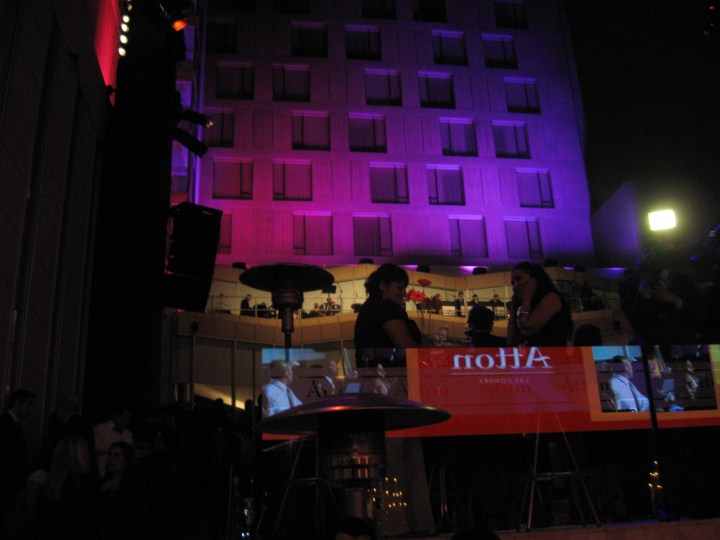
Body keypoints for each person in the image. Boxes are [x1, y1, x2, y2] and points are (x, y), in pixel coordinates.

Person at [354, 264, 425, 367]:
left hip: (371, 372)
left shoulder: (369, 306)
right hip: (392, 373)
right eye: (399, 288)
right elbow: (407, 348)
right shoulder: (387, 309)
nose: (404, 293)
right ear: (383, 285)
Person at [507, 262, 573, 347]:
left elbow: (527, 326)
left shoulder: (551, 297)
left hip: (552, 354)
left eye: (519, 279)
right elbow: (511, 341)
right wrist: (513, 308)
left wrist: (527, 296)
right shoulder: (529, 305)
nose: (515, 286)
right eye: (513, 283)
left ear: (534, 280)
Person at [98, 441, 152, 539]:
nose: (111, 459)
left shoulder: (135, 485)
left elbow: (140, 518)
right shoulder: (103, 484)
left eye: (117, 455)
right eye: (110, 455)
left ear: (127, 459)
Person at [0, 389, 35, 526]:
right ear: (17, 402)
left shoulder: (9, 423)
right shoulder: (7, 425)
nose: (30, 409)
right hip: (8, 484)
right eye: (29, 404)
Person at [93, 405, 134, 478]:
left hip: (122, 475)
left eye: (129, 419)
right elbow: (97, 449)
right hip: (102, 473)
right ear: (116, 416)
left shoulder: (128, 434)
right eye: (125, 418)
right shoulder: (101, 429)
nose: (127, 422)